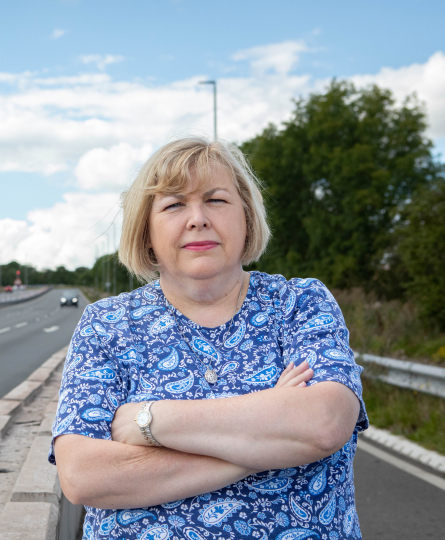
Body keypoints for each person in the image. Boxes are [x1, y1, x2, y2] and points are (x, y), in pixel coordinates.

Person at [50, 137, 368, 540]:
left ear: (247, 217)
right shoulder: (106, 324)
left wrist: (149, 420)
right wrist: (270, 438)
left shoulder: (299, 303)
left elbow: (323, 424)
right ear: (146, 232)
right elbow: (83, 476)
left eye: (216, 200)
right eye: (173, 204)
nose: (197, 218)